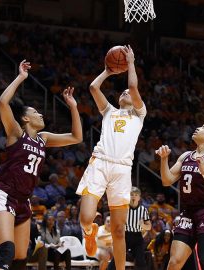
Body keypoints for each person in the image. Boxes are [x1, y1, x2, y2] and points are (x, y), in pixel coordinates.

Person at [0, 60, 82, 270]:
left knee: (21, 259)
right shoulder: (15, 133)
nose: (40, 114)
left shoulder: (43, 138)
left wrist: (73, 107)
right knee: (6, 252)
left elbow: (76, 137)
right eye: (35, 112)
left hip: (24, 201)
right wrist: (21, 78)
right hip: (5, 195)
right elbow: (3, 103)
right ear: (25, 119)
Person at [77, 45, 146, 270]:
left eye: (128, 93)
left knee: (119, 230)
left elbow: (133, 85)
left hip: (122, 170)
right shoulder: (109, 112)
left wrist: (131, 62)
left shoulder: (139, 113)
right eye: (123, 92)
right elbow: (93, 87)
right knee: (87, 217)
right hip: (100, 163)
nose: (126, 92)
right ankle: (89, 232)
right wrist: (108, 71)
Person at [156, 122, 204, 270]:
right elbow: (166, 180)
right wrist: (164, 159)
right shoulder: (186, 156)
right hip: (188, 213)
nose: (197, 128)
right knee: (174, 262)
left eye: (203, 127)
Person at [109, 186, 151, 270]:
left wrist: (143, 225)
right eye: (131, 195)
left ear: (139, 197)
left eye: (136, 195)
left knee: (141, 261)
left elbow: (149, 226)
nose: (134, 196)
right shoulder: (124, 208)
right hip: (125, 236)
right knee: (117, 257)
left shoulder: (143, 210)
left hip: (137, 237)